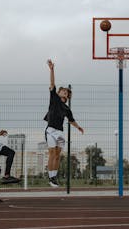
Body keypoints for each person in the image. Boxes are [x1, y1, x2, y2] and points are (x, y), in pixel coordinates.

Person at [45, 58, 84, 187]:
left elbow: (71, 120)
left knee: (57, 155)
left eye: (66, 92)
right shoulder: (54, 99)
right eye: (63, 90)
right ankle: (50, 177)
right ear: (58, 92)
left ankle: (54, 177)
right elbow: (52, 83)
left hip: (60, 132)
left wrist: (78, 127)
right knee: (51, 153)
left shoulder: (67, 109)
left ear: (67, 96)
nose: (64, 92)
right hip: (51, 130)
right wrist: (52, 69)